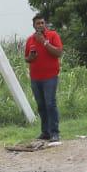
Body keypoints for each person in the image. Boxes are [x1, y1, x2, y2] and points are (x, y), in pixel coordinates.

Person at [24, 13, 63, 143]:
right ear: (33, 25)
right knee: (41, 105)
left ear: (45, 24)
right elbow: (26, 59)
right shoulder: (30, 40)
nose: (40, 25)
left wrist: (44, 43)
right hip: (35, 78)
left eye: (42, 23)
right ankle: (45, 132)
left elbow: (58, 52)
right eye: (38, 23)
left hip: (50, 76)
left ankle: (55, 132)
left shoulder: (53, 35)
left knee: (50, 104)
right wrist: (31, 57)